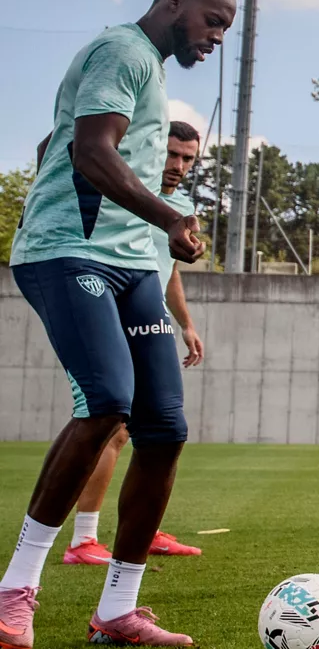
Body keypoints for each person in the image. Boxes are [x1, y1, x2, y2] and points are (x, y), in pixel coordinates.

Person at [0, 0, 238, 649]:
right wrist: (168, 214)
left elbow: (62, 143)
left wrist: (160, 234)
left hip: (133, 265)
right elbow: (90, 150)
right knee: (106, 401)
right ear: (172, 3)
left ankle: (119, 609)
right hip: (67, 253)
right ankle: (15, 592)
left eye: (226, 27)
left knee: (163, 427)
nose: (216, 36)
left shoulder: (151, 74)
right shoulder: (121, 51)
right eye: (211, 21)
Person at [62, 121, 207, 565]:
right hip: (101, 306)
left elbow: (168, 272)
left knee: (157, 430)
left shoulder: (179, 206)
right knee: (110, 422)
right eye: (171, 154)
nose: (178, 165)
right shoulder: (121, 188)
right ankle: (83, 540)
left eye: (187, 158)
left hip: (150, 317)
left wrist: (185, 323)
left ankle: (144, 529)